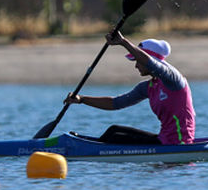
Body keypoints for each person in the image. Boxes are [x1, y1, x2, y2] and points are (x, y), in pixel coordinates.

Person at [64, 31, 196, 145]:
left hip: (177, 143)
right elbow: (115, 103)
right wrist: (82, 99)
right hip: (163, 139)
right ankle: (90, 147)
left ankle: (91, 152)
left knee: (116, 138)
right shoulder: (147, 87)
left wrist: (123, 42)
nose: (136, 66)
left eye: (137, 61)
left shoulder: (173, 80)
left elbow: (150, 63)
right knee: (114, 130)